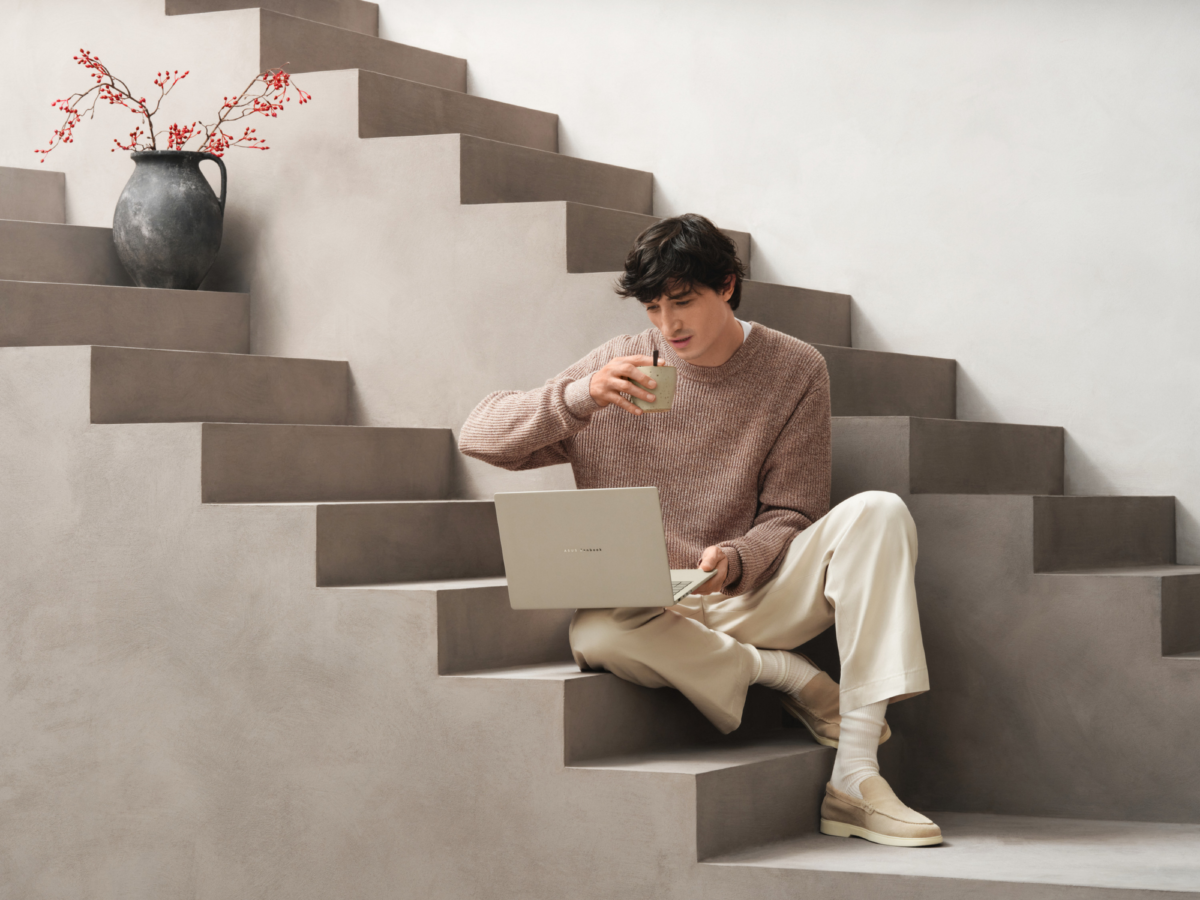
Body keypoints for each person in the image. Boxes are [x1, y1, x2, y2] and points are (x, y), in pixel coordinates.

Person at [458, 214, 941, 847]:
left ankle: (854, 776)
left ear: (728, 287)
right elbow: (479, 436)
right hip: (653, 608)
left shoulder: (794, 368)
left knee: (879, 511)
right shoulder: (619, 366)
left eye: (683, 302)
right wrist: (581, 397)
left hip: (750, 592)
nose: (668, 325)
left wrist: (740, 556)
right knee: (597, 630)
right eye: (654, 307)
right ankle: (785, 676)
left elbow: (793, 512)